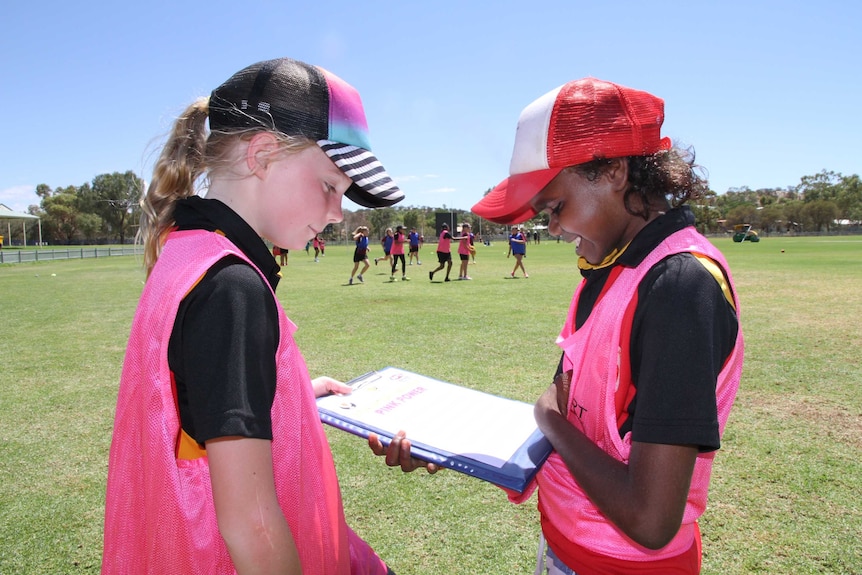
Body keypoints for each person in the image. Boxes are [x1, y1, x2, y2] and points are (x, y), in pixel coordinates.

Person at [378, 77, 745, 575]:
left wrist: (547, 419)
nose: (550, 228)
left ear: (613, 170)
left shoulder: (679, 284)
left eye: (554, 207)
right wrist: (455, 446)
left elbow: (651, 518)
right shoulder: (606, 269)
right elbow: (572, 405)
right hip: (566, 546)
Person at [102, 57, 415, 575]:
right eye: (330, 187)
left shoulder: (188, 250)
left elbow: (194, 403)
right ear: (263, 155)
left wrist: (287, 392)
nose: (339, 213)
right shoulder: (233, 287)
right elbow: (252, 524)